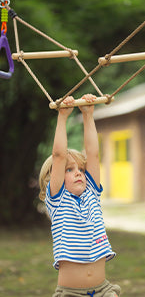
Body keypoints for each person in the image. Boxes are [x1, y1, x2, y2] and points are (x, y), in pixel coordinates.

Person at [39, 94, 121, 297]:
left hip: (103, 290)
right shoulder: (58, 199)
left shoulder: (91, 192)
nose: (78, 173)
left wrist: (88, 115)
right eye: (69, 170)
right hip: (70, 293)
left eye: (81, 169)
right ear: (54, 177)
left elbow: (93, 153)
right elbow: (59, 156)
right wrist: (63, 117)